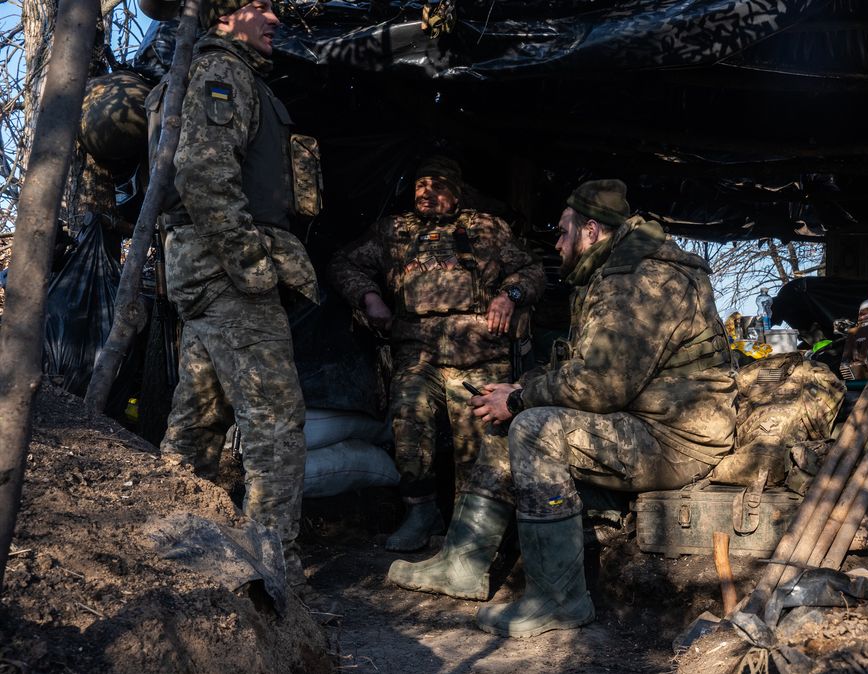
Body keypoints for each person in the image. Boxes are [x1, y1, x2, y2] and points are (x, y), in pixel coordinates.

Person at [388, 179, 737, 638]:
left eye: (563, 231)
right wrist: (517, 389)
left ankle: (560, 599)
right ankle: (464, 562)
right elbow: (585, 365)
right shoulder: (619, 272)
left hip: (677, 438)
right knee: (506, 415)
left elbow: (598, 385)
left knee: (534, 427)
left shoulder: (642, 282)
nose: (556, 242)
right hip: (646, 419)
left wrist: (519, 399)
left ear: (591, 230)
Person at [155, 0, 319, 591]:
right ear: (226, 14)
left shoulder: (226, 74)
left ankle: (167, 545)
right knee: (275, 421)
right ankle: (274, 570)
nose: (276, 18)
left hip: (207, 276)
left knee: (198, 418)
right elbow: (202, 173)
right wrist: (252, 264)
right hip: (229, 277)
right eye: (263, 7)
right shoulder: (222, 73)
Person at [328, 157, 545, 551]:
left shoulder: (487, 228)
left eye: (437, 186)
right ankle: (420, 512)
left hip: (480, 351)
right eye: (419, 187)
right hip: (418, 351)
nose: (426, 194)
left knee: (477, 442)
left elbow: (531, 271)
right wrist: (370, 297)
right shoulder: (394, 230)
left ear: (456, 192)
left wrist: (507, 295)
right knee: (408, 419)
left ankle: (472, 528)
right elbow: (343, 262)